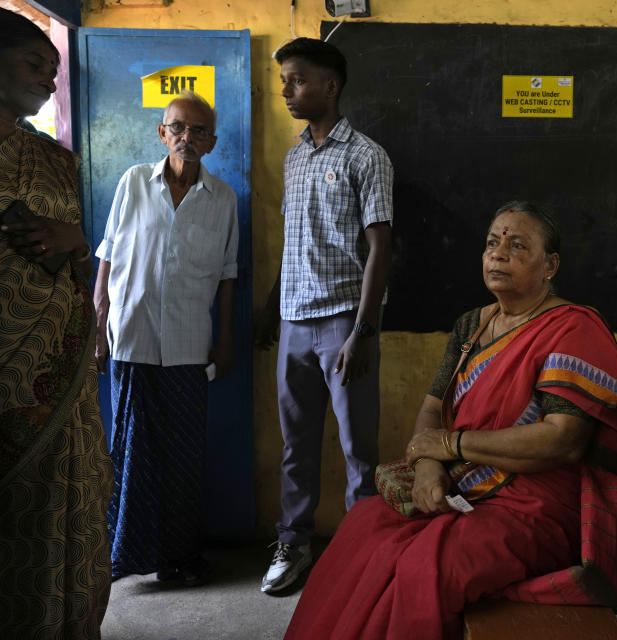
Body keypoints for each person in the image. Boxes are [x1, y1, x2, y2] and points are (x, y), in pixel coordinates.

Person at [284, 201, 617, 639]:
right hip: (462, 485)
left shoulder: (572, 330)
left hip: (536, 507)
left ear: (550, 266)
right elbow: (433, 408)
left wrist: (449, 447)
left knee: (427, 565)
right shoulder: (470, 326)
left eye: (517, 244)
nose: (498, 253)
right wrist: (428, 468)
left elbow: (561, 442)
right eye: (492, 242)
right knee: (364, 524)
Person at [255, 37, 393, 594]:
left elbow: (380, 248)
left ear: (330, 87)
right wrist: (271, 308)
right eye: (285, 80)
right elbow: (295, 243)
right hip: (293, 320)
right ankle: (294, 542)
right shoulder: (293, 157)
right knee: (297, 443)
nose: (287, 90)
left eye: (297, 79)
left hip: (344, 322)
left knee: (358, 447)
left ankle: (362, 552)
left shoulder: (366, 155)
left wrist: (363, 330)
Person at [94, 92, 239, 586]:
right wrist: (98, 322)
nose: (187, 138)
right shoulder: (134, 182)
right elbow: (108, 254)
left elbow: (226, 275)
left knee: (182, 459)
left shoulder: (223, 199)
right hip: (130, 338)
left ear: (213, 142)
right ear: (162, 133)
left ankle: (179, 558)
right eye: (178, 128)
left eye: (199, 131)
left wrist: (225, 341)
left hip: (188, 344)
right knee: (131, 450)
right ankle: (124, 556)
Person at [0, 8, 112, 637]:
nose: (48, 79)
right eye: (34, 64)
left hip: (56, 377)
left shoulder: (54, 162)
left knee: (59, 518)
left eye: (54, 69)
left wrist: (74, 241)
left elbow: (76, 270)